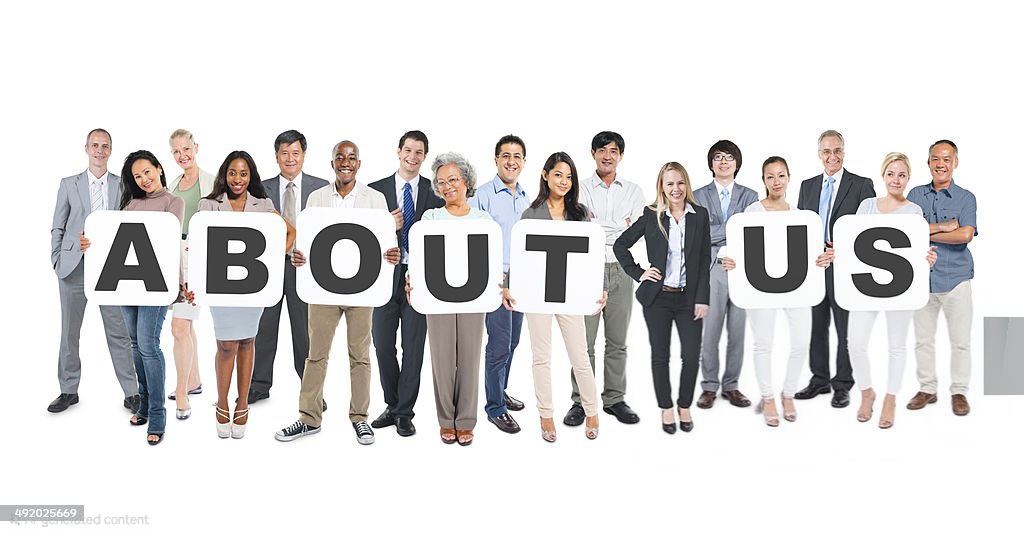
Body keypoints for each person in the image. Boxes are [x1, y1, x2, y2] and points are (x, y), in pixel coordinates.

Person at [274, 141, 401, 445]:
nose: (346, 162)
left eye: (352, 158)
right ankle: (309, 417)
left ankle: (360, 418)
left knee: (360, 356)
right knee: (315, 355)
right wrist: (298, 256)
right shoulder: (317, 198)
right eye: (340, 158)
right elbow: (306, 241)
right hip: (323, 289)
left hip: (361, 291)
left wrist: (391, 254)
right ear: (332, 164)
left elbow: (384, 243)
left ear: (359, 163)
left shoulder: (375, 199)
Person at [81, 150, 186, 445]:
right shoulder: (129, 204)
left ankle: (157, 413)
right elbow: (116, 240)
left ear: (159, 169)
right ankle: (142, 402)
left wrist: (179, 285)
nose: (144, 180)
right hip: (127, 282)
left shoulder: (172, 202)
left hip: (156, 284)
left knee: (150, 346)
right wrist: (91, 241)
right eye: (137, 176)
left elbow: (169, 244)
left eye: (147, 172)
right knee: (136, 344)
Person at [719, 157, 832, 426]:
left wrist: (821, 259)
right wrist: (729, 259)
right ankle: (768, 397)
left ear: (789, 178)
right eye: (770, 177)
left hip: (796, 287)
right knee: (764, 343)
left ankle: (788, 393)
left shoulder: (799, 215)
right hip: (762, 288)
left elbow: (809, 253)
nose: (776, 181)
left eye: (781, 175)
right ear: (764, 181)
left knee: (801, 341)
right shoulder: (753, 212)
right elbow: (737, 246)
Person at [502, 152, 604, 442]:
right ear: (545, 175)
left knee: (580, 355)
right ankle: (546, 415)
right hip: (537, 294)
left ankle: (592, 410)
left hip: (570, 293)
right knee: (541, 358)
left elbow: (594, 257)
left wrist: (600, 288)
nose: (564, 181)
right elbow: (517, 257)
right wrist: (509, 285)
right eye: (558, 174)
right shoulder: (531, 214)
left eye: (569, 176)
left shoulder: (580, 214)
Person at [199, 151, 296, 439]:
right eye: (232, 173)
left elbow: (290, 233)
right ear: (224, 175)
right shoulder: (209, 204)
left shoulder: (263, 205)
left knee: (246, 342)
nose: (237, 179)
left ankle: (242, 402)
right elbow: (199, 242)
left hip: (253, 288)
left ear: (250, 176)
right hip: (222, 288)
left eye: (243, 173)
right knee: (225, 344)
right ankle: (223, 401)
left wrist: (270, 260)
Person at [613, 162, 711, 433]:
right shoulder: (652, 214)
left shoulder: (699, 215)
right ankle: (666, 408)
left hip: (689, 298)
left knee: (691, 356)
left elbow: (704, 260)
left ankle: (684, 406)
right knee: (660, 356)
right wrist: (640, 273)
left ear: (686, 184)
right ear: (662, 187)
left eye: (680, 183)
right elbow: (621, 245)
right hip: (658, 299)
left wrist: (703, 298)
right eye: (670, 184)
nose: (675, 189)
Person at [49, 128, 138, 414]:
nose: (100, 150)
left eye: (106, 146)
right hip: (74, 267)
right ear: (86, 148)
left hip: (111, 269)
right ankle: (68, 390)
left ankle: (132, 392)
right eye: (95, 145)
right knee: (69, 332)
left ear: (111, 151)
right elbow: (58, 226)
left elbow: (129, 226)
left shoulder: (121, 185)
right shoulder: (68, 184)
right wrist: (57, 259)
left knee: (119, 332)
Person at [847, 152, 938, 428]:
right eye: (891, 174)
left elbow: (915, 251)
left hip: (901, 287)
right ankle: (867, 392)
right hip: (866, 285)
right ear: (883, 175)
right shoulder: (867, 206)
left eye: (901, 175)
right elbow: (853, 242)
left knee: (896, 346)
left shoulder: (913, 211)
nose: (895, 180)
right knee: (856, 344)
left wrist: (927, 260)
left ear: (908, 178)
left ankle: (890, 398)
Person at [407, 152, 492, 446]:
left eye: (453, 179)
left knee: (469, 357)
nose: (447, 187)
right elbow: (419, 257)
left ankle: (466, 421)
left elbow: (491, 260)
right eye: (441, 182)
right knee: (442, 359)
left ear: (466, 181)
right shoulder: (431, 217)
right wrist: (411, 280)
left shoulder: (483, 219)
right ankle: (446, 420)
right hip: (437, 296)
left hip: (473, 297)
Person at [368, 130, 444, 437]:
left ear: (424, 157)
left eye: (419, 152)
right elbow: (361, 238)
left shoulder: (434, 191)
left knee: (413, 348)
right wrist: (388, 226)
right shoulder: (375, 191)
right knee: (383, 345)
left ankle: (403, 413)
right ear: (398, 151)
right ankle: (392, 403)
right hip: (384, 279)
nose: (413, 156)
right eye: (408, 150)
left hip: (420, 280)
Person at [794, 130, 876, 408]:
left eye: (837, 150)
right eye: (827, 151)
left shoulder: (862, 185)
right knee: (816, 326)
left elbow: (869, 229)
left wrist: (843, 249)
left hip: (846, 269)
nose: (833, 157)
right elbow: (800, 227)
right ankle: (819, 380)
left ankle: (843, 384)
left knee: (845, 329)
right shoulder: (807, 186)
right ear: (819, 154)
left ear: (845, 152)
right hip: (815, 269)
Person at [572, 131, 646, 426]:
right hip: (586, 269)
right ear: (592, 153)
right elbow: (581, 226)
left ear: (620, 156)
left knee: (618, 341)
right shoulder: (579, 189)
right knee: (583, 343)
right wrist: (619, 224)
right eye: (602, 150)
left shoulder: (634, 190)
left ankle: (614, 399)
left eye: (613, 151)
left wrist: (599, 226)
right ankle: (581, 401)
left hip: (621, 270)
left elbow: (636, 229)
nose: (607, 155)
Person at [250, 130, 328, 403]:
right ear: (276, 157)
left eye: (295, 153)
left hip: (304, 268)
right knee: (264, 328)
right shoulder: (261, 187)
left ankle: (312, 391)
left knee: (306, 333)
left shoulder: (322, 188)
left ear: (304, 155)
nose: (290, 159)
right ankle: (258, 385)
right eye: (284, 153)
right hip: (268, 267)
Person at [906, 140, 977, 416]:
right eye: (936, 159)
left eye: (947, 159)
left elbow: (965, 235)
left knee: (960, 341)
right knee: (923, 340)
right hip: (921, 280)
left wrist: (924, 232)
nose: (941, 164)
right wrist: (945, 227)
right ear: (928, 163)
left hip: (957, 278)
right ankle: (927, 388)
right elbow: (905, 231)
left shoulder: (966, 198)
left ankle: (959, 392)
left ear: (955, 163)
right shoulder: (914, 195)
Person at [469, 134, 530, 434]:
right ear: (496, 160)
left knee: (514, 341)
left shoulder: (527, 198)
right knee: (498, 346)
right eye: (505, 155)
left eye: (517, 156)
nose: (511, 161)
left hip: (523, 278)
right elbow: (474, 242)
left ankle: (500, 390)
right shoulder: (482, 196)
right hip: (496, 278)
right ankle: (495, 408)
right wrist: (497, 281)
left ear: (523, 162)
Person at [692, 140, 757, 409]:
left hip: (742, 269)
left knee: (738, 332)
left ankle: (731, 385)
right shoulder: (697, 196)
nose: (723, 161)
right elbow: (699, 234)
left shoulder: (751, 196)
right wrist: (734, 226)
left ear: (737, 163)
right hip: (711, 271)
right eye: (718, 157)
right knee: (710, 331)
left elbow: (751, 232)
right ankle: (709, 387)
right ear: (711, 164)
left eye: (729, 157)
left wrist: (719, 229)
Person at [165, 129, 215, 419]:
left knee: (179, 327)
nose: (182, 155)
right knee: (188, 324)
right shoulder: (172, 185)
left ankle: (182, 391)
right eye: (176, 151)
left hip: (198, 258)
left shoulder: (210, 182)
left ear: (196, 147)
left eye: (186, 149)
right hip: (174, 258)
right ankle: (194, 379)